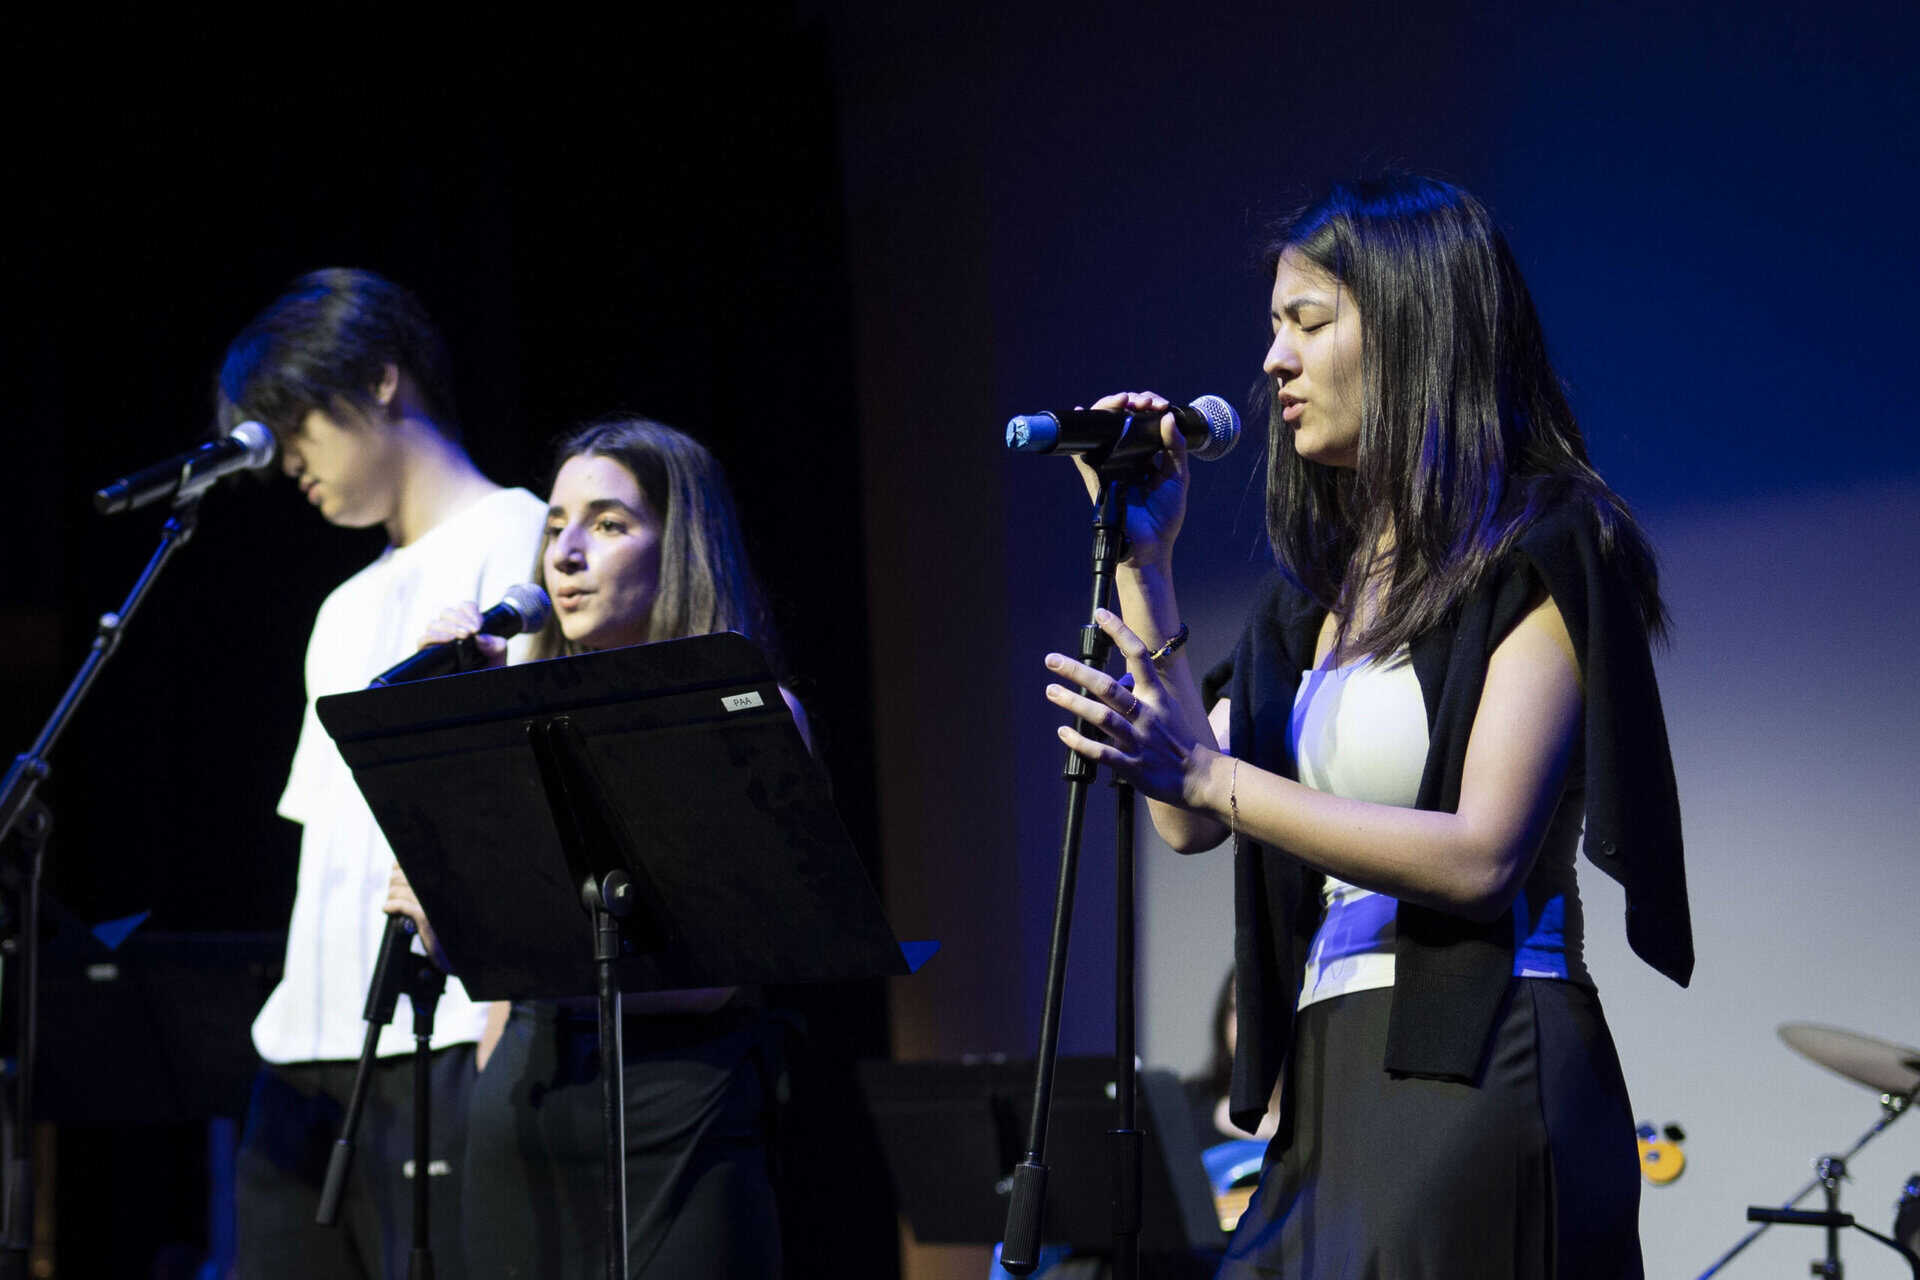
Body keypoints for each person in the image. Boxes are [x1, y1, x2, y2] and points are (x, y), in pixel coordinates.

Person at [1041, 175, 1691, 1277]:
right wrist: (1146, 563)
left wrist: (1202, 773)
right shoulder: (1316, 599)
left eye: (1307, 322)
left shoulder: (1545, 546)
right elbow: (1190, 822)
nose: (1272, 362)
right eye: (1273, 330)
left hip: (1481, 1056)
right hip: (1332, 1068)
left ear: (1411, 328)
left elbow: (1484, 854)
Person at [387, 418, 796, 1279]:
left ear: (678, 546)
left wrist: (523, 949)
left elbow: (708, 974)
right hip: (525, 1104)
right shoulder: (515, 718)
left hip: (676, 1108)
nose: (566, 553)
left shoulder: (748, 709)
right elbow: (483, 964)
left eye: (608, 525)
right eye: (555, 526)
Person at [219, 268, 548, 1278]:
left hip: (436, 1039)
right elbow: (328, 844)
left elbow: (527, 810)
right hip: (301, 1058)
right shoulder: (340, 609)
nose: (289, 464)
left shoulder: (523, 539)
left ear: (382, 380)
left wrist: (501, 1029)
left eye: (298, 423)